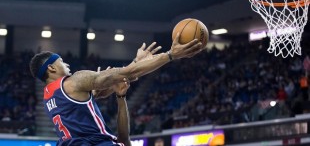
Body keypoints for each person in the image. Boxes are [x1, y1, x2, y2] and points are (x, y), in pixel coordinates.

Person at [29, 34, 203, 146]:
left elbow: (113, 84)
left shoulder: (49, 98)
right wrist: (172, 55)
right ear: (51, 68)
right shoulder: (75, 81)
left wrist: (135, 63)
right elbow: (128, 74)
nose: (67, 64)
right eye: (61, 61)